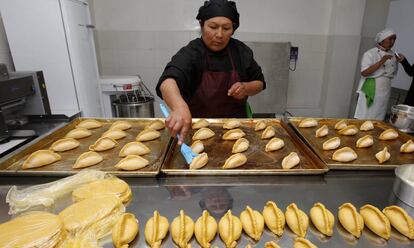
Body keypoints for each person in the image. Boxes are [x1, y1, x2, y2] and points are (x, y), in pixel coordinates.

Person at [156, 0, 266, 144]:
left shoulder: (241, 51)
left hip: (237, 131)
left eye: (226, 28)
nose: (219, 34)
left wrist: (246, 88)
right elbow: (167, 81)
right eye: (213, 27)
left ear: (233, 29)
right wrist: (179, 107)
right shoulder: (192, 52)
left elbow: (260, 82)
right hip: (197, 133)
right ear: (202, 25)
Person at [354, 28, 399, 120]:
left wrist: (400, 61)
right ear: (382, 40)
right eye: (390, 39)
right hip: (371, 87)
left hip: (385, 89)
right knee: (366, 114)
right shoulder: (370, 53)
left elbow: (393, 73)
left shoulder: (393, 54)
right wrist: (381, 61)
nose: (392, 42)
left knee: (379, 115)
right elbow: (364, 73)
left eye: (394, 39)